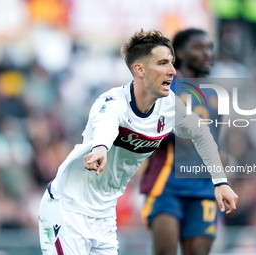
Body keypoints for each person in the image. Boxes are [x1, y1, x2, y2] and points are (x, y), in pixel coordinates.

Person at [38, 29, 238, 255]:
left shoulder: (170, 106)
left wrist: (220, 182)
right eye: (163, 63)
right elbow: (106, 123)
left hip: (104, 215)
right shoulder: (113, 102)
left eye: (172, 63)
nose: (172, 71)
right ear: (139, 69)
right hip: (68, 208)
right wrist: (101, 147)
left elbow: (201, 135)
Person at [140, 28, 228, 255]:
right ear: (180, 52)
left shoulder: (216, 94)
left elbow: (216, 140)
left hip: (204, 189)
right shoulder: (163, 87)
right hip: (166, 186)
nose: (207, 53)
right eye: (199, 48)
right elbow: (146, 129)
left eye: (209, 47)